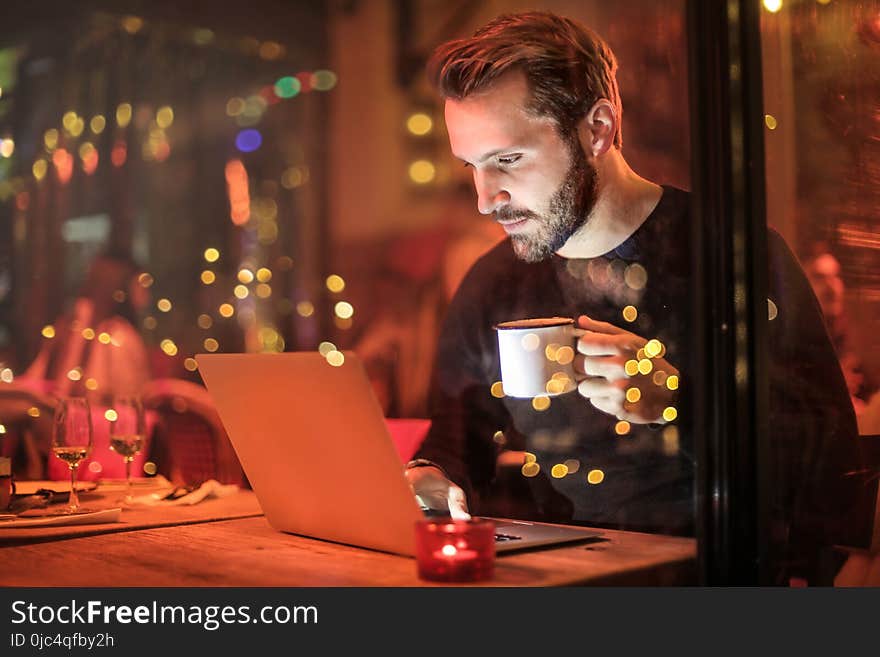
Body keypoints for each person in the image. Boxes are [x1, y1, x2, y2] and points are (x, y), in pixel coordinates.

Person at [404, 11, 868, 584]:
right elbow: (457, 438)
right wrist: (429, 475)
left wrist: (677, 406)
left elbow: (828, 473)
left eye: (507, 159)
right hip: (558, 583)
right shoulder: (494, 282)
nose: (485, 198)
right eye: (471, 166)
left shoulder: (733, 258)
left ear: (597, 129)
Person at [0, 250, 152, 477]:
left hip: (93, 419)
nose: (95, 288)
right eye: (94, 280)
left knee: (30, 415)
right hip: (57, 409)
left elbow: (126, 401)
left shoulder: (121, 336)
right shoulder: (70, 327)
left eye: (104, 282)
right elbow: (39, 376)